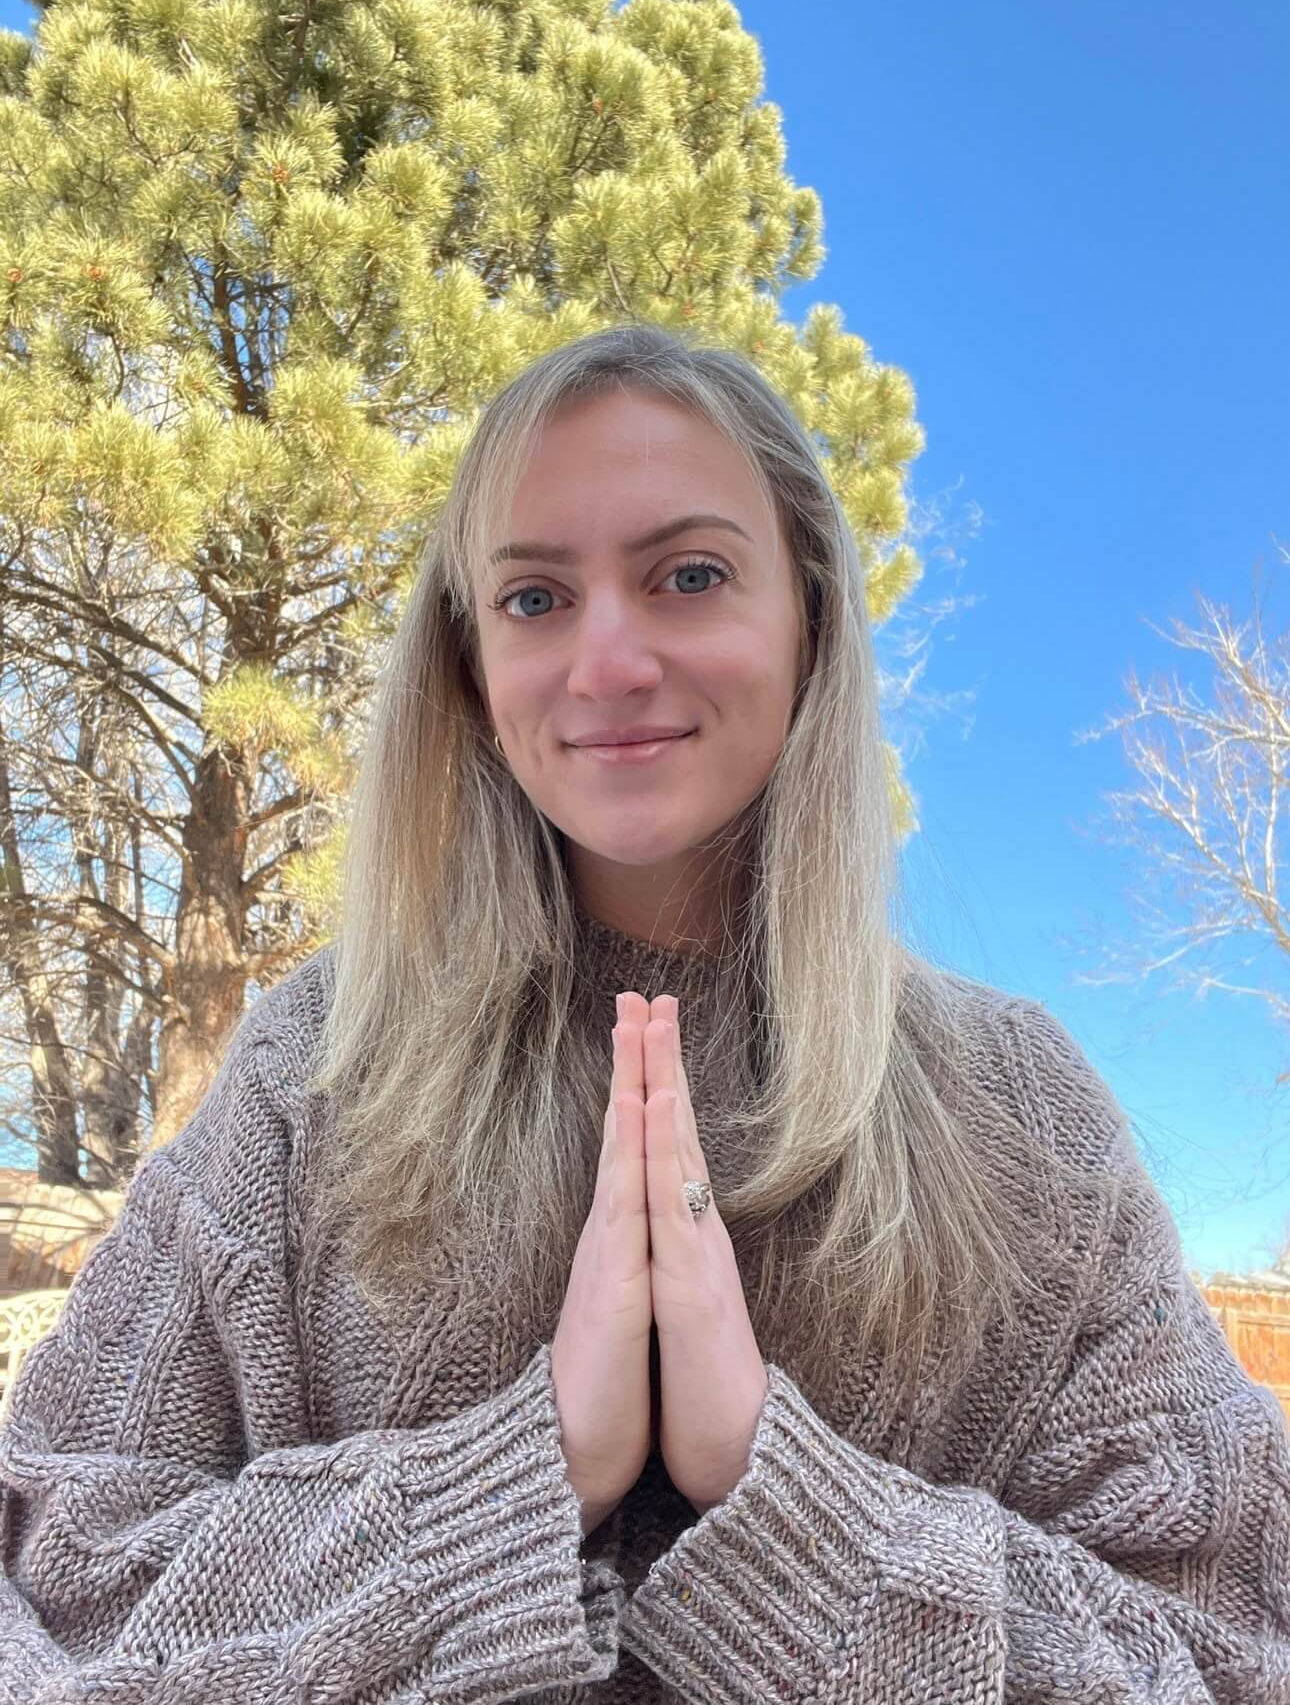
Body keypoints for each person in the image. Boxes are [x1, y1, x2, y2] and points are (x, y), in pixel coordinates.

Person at [1, 322, 1287, 1705]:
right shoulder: (311, 1068)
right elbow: (56, 1580)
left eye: (687, 576)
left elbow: (1232, 1650)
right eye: (535, 599)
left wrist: (781, 1500)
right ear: (469, 669)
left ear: (808, 618)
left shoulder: (1023, 1108)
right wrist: (520, 1475)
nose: (607, 661)